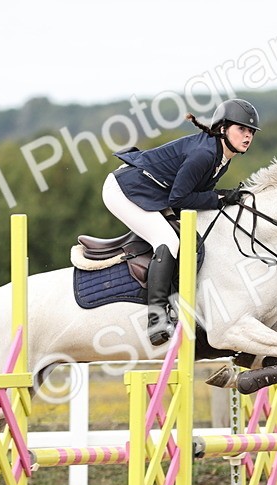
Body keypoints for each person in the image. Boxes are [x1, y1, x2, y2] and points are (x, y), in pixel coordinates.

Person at [103, 98, 260, 345]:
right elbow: (181, 197)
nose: (248, 136)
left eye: (251, 131)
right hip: (124, 190)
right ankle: (155, 319)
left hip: (153, 192)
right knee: (166, 239)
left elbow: (189, 198)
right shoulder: (205, 154)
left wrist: (220, 197)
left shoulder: (222, 157)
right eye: (242, 129)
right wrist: (220, 198)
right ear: (222, 128)